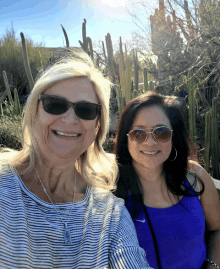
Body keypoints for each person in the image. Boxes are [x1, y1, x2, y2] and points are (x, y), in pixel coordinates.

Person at [0, 50, 152, 269]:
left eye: (86, 110)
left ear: (98, 126)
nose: (70, 119)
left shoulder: (110, 213)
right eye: (55, 104)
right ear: (34, 112)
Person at [114, 91, 220, 269]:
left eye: (161, 132)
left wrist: (213, 266)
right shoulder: (110, 190)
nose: (150, 142)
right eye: (138, 133)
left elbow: (217, 229)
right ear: (127, 139)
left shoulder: (195, 177)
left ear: (173, 136)